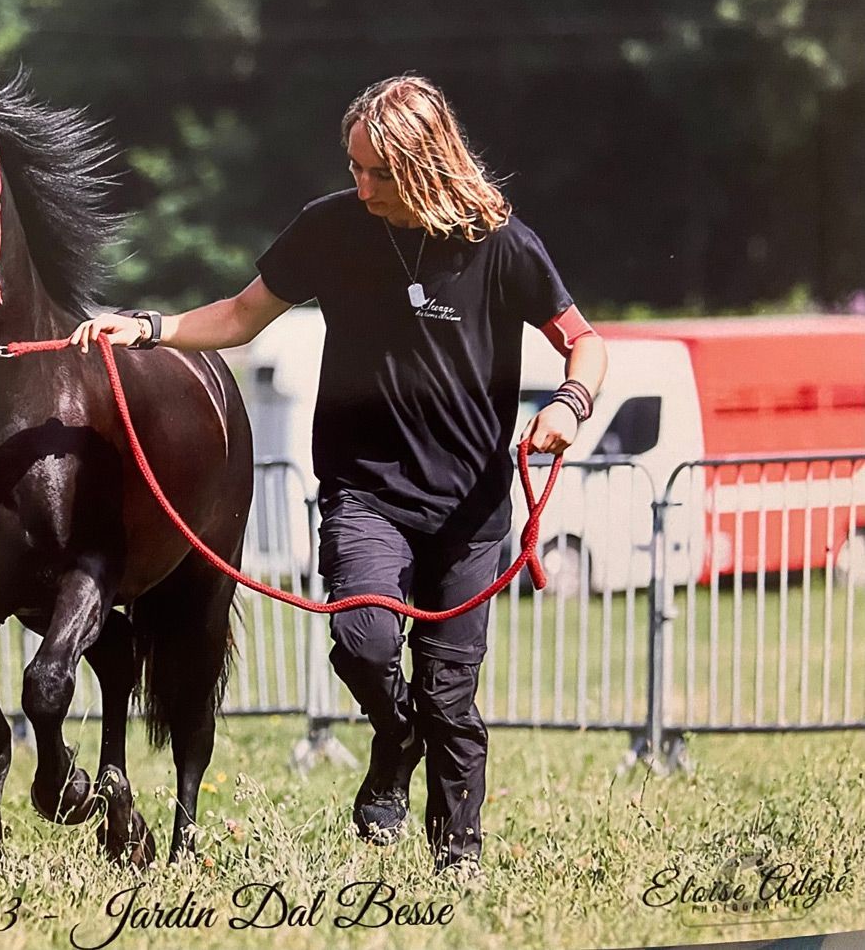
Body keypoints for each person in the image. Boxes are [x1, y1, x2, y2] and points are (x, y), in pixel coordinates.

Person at [69, 74, 608, 878]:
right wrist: (147, 328)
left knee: (450, 694)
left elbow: (584, 341)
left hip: (469, 509)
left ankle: (457, 862)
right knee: (361, 643)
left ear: (425, 165)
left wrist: (569, 404)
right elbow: (242, 316)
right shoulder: (331, 227)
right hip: (366, 490)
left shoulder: (503, 245)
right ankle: (394, 741)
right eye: (353, 166)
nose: (360, 185)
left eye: (377, 172)